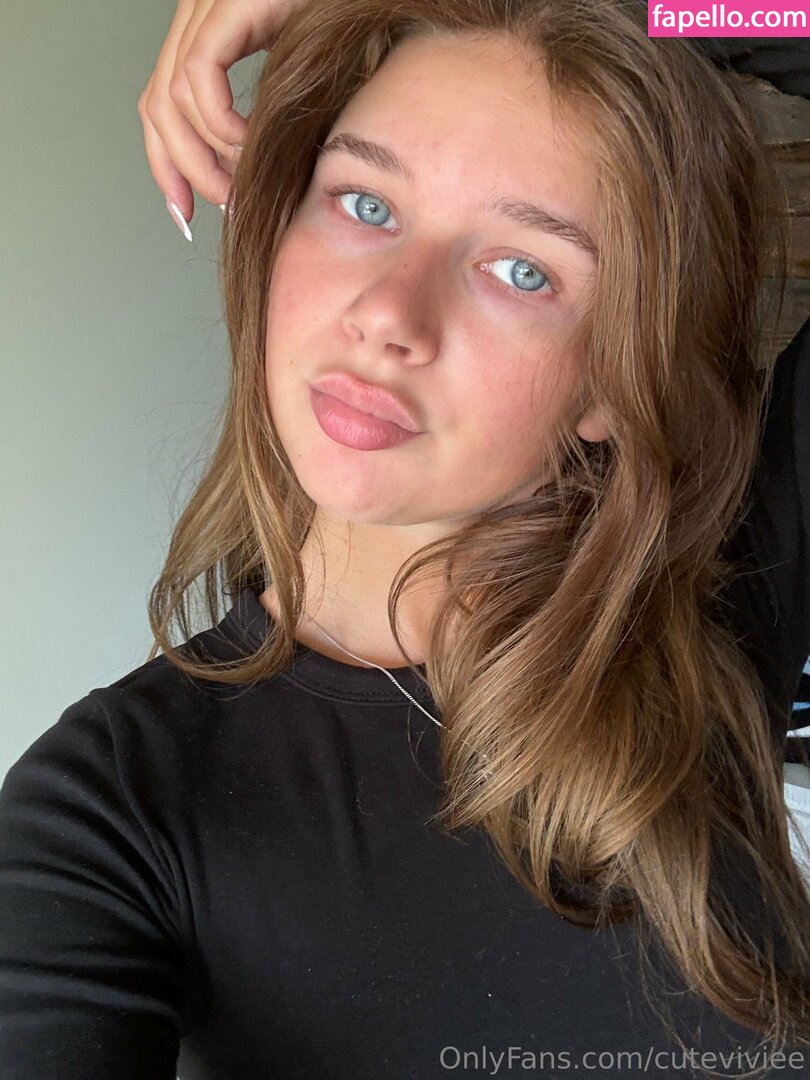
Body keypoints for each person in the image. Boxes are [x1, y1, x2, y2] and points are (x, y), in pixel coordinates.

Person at [2, 0, 810, 1077]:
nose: (390, 313)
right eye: (366, 203)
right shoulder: (107, 812)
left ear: (612, 384)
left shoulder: (712, 604)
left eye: (523, 270)